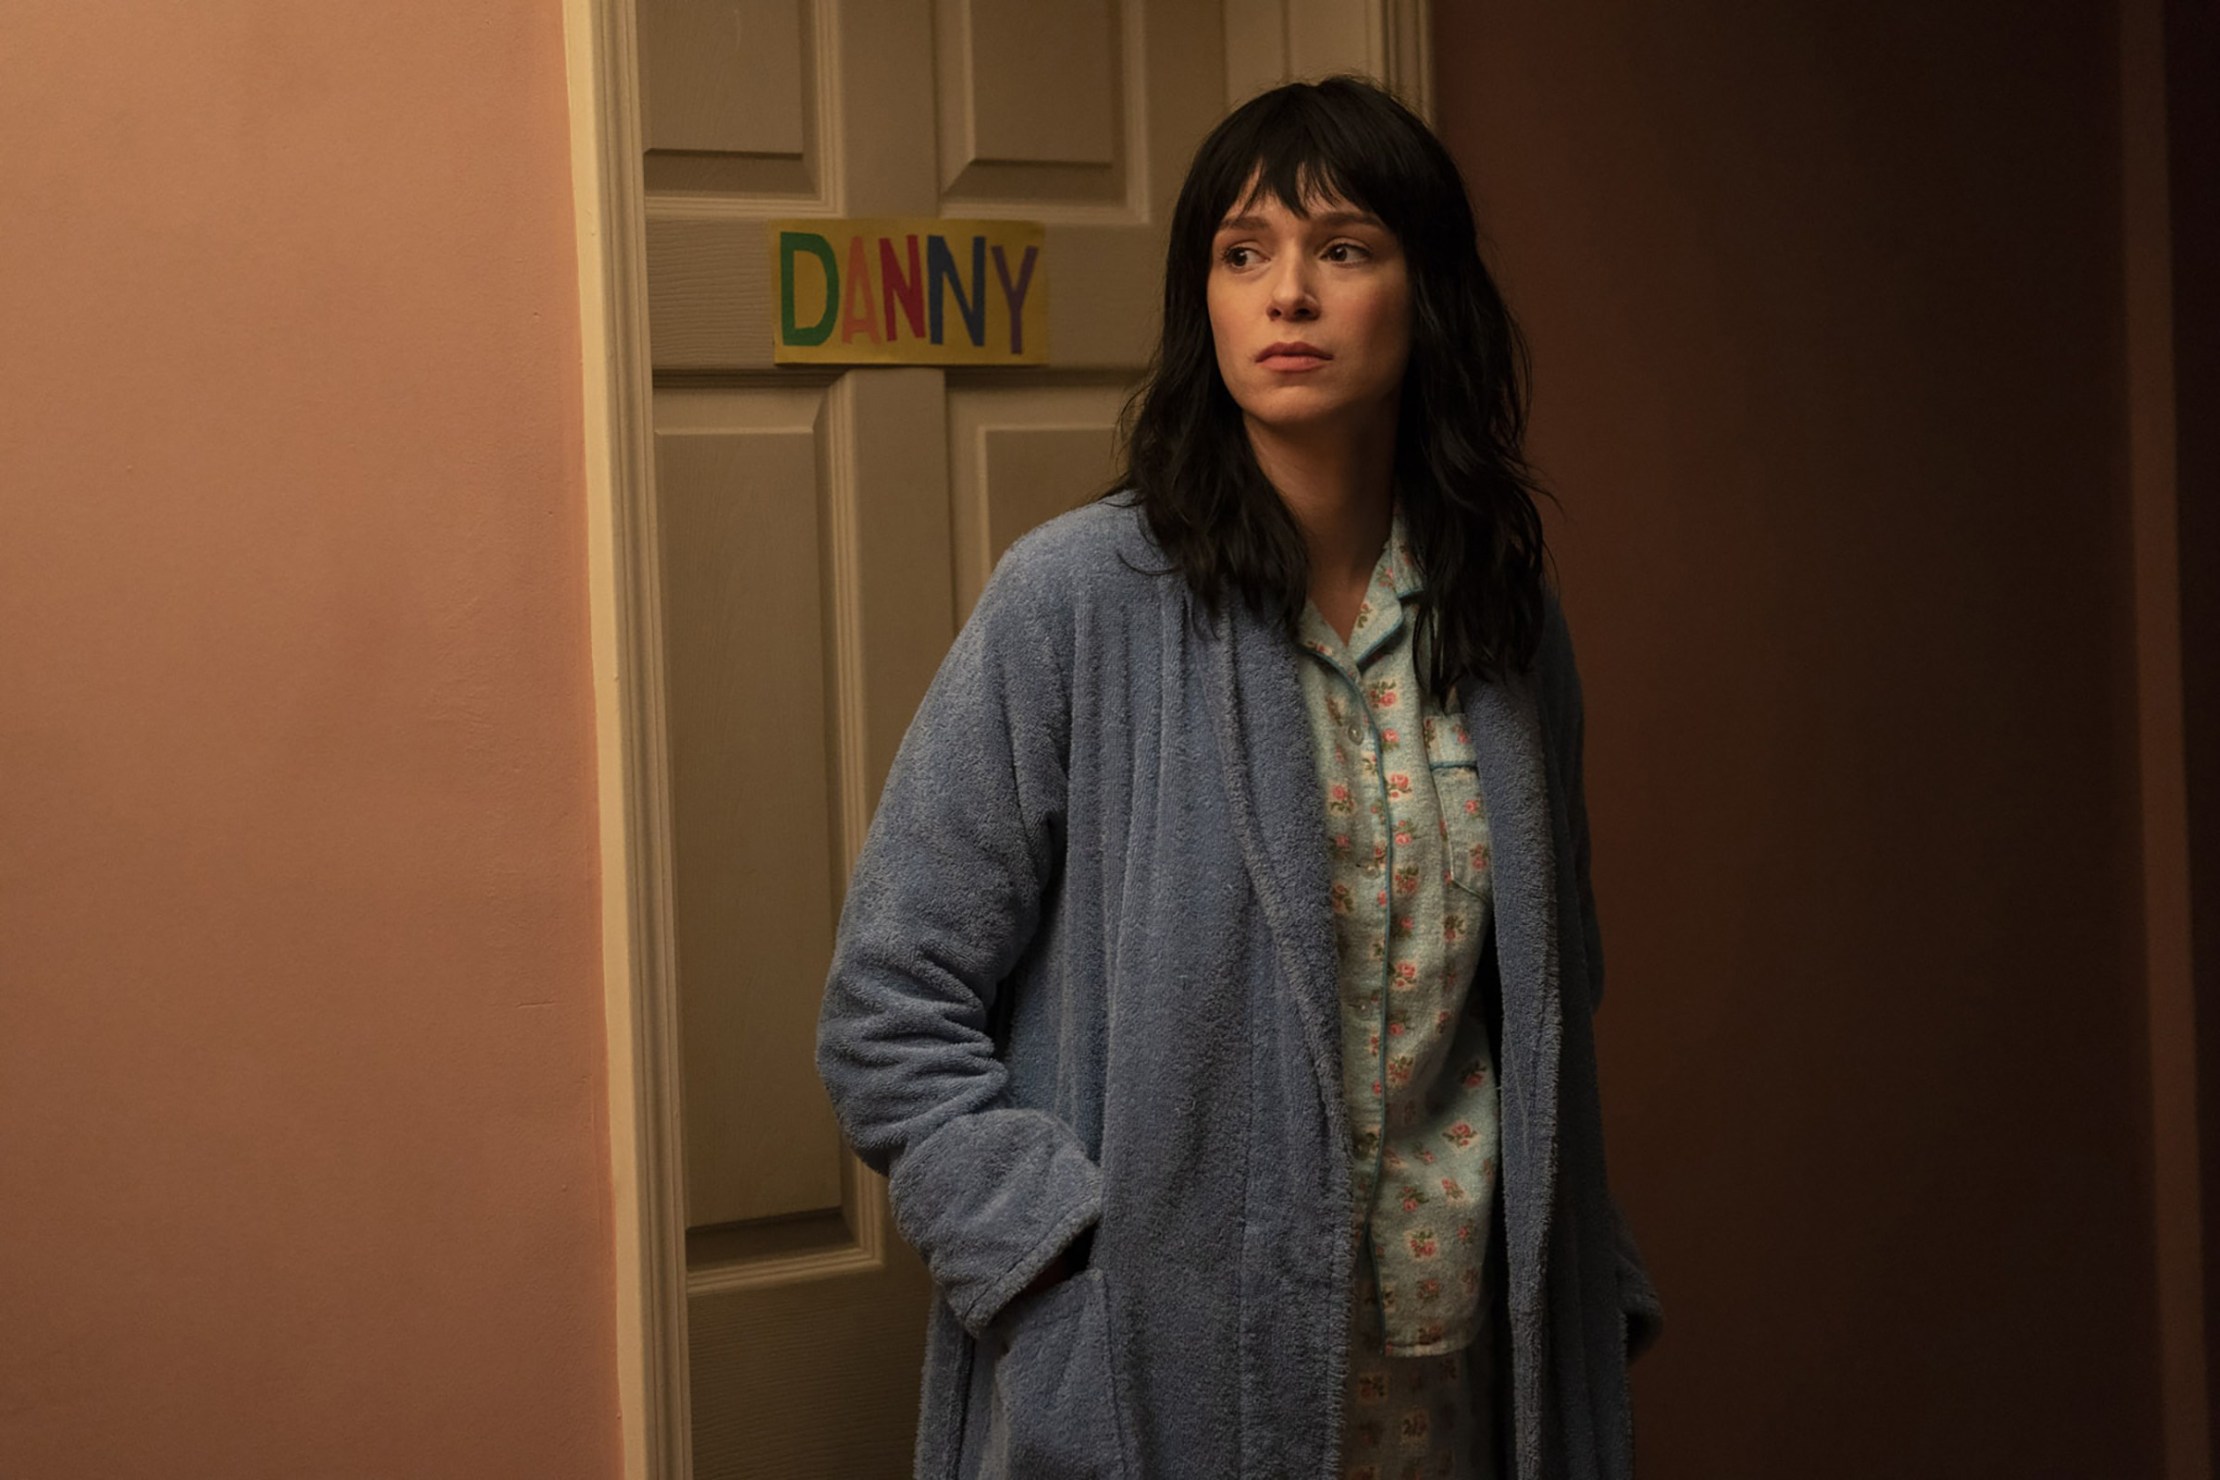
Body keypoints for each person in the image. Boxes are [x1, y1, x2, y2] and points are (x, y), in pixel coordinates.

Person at [816, 76, 1661, 1480]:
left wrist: (1582, 1275)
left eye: (1344, 248)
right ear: (1200, 302)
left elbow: (1552, 990)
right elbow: (887, 1006)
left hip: (1455, 1385)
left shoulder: (1505, 625)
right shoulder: (1078, 599)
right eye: (1243, 252)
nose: (1289, 294)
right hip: (1166, 1386)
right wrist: (1052, 1273)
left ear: (1427, 295)